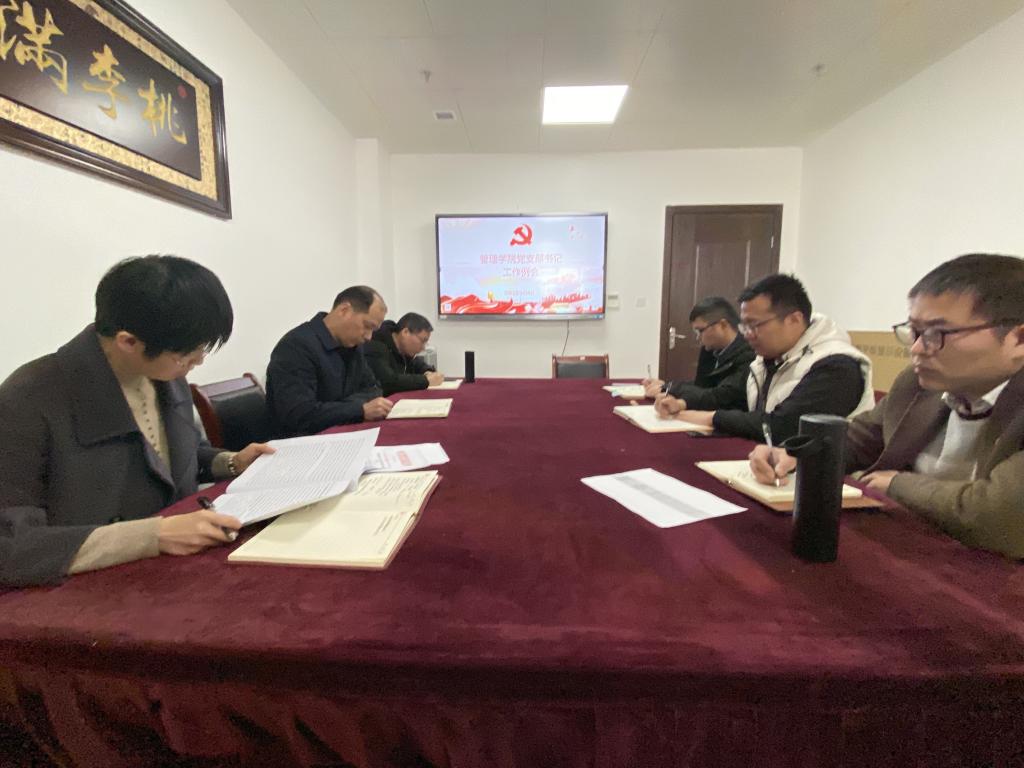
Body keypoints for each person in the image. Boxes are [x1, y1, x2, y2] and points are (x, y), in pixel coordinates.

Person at [0, 255, 273, 587]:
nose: (198, 361)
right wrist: (152, 535)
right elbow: (11, 545)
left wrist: (231, 462)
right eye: (186, 355)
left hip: (177, 571)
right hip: (87, 589)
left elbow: (173, 456)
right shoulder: (29, 397)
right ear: (128, 341)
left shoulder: (165, 376)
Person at [751, 254, 1024, 558]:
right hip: (920, 545)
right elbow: (859, 439)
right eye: (915, 332)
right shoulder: (916, 385)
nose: (917, 349)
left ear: (1019, 339)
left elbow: (996, 516)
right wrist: (793, 454)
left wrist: (895, 484)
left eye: (937, 333)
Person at [654, 274, 873, 442]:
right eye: (745, 326)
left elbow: (781, 427)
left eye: (755, 325)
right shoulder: (768, 358)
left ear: (794, 320)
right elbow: (734, 400)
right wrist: (682, 404)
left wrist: (704, 417)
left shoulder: (836, 366)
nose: (747, 335)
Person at [266, 285, 393, 437]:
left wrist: (341, 408)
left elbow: (373, 389)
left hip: (341, 433)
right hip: (302, 442)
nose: (368, 337)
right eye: (367, 326)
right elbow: (299, 414)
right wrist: (359, 410)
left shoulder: (353, 346)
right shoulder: (295, 347)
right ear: (344, 310)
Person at [641, 296, 754, 409]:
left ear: (723, 325)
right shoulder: (711, 349)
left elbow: (718, 396)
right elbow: (701, 386)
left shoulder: (748, 355)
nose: (698, 337)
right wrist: (667, 385)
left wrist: (669, 389)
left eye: (700, 331)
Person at [365, 312, 445, 396]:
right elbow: (388, 381)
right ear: (405, 332)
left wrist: (427, 372)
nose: (423, 348)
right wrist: (425, 380)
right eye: (422, 341)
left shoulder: (404, 349)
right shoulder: (375, 345)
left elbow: (417, 364)